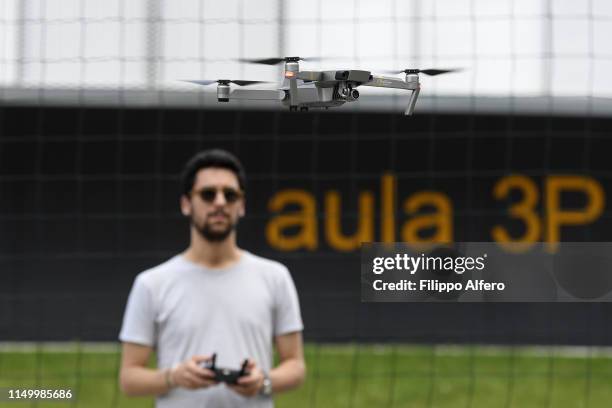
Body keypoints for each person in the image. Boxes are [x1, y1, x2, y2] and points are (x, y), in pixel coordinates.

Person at [118, 149, 305, 407]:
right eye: (208, 194)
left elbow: (295, 366)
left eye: (230, 195)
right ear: (186, 203)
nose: (219, 202)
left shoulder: (275, 276)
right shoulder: (151, 283)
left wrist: (262, 380)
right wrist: (174, 376)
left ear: (241, 205)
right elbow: (129, 379)